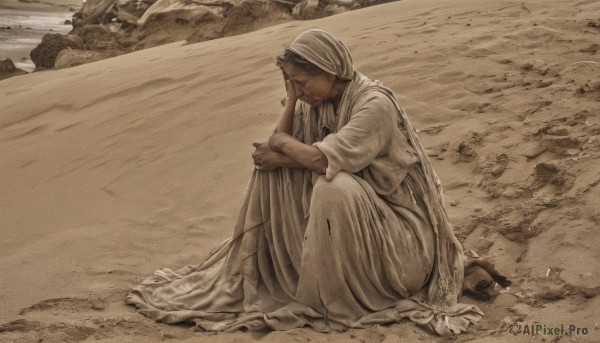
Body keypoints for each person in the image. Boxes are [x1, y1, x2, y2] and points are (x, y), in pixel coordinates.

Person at [127, 29, 487, 336]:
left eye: (302, 82)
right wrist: (292, 102)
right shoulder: (314, 102)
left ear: (330, 71)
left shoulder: (374, 104)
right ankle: (296, 274)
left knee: (334, 186)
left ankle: (337, 297)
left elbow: (316, 158)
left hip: (402, 241)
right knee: (271, 169)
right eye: (290, 83)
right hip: (363, 230)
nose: (298, 90)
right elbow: (273, 149)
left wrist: (281, 146)